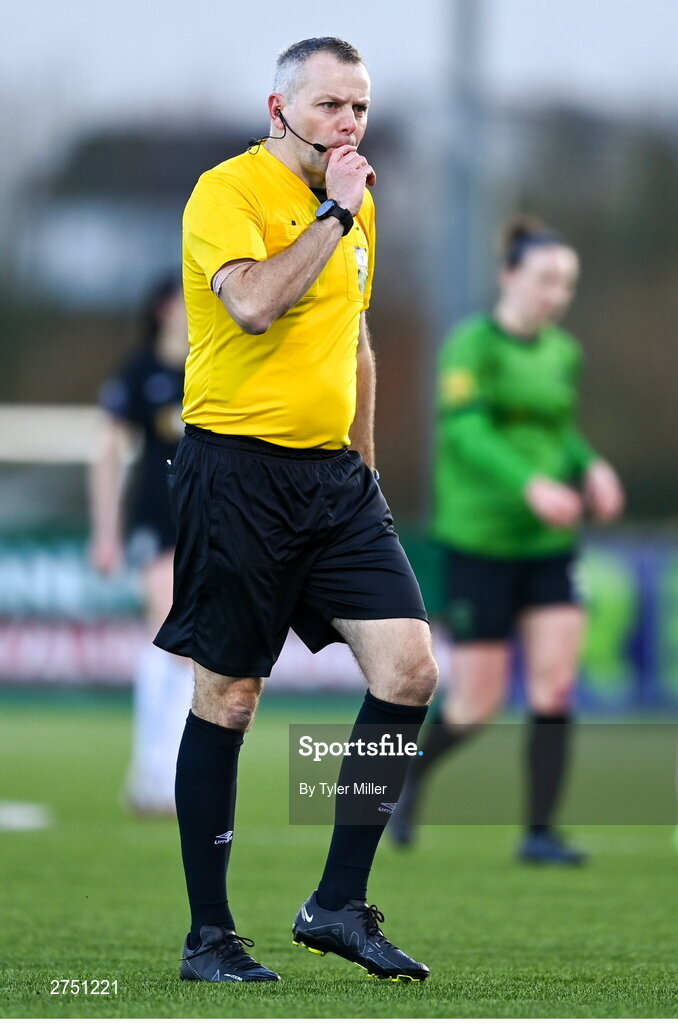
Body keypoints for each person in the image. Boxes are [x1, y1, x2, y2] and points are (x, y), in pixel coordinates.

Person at [154, 37, 438, 983]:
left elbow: (353, 341)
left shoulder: (360, 202)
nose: (349, 123)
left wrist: (365, 466)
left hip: (334, 483)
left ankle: (338, 903)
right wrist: (330, 214)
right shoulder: (226, 194)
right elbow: (255, 308)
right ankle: (209, 937)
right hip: (235, 474)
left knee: (408, 667)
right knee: (229, 696)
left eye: (359, 106)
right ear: (279, 110)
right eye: (329, 106)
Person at [390, 215, 624, 863]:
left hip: (548, 545)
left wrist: (590, 466)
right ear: (510, 275)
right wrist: (531, 486)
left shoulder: (562, 353)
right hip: (480, 542)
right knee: (478, 702)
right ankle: (406, 782)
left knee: (554, 687)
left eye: (567, 282)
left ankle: (539, 832)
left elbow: (559, 434)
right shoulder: (472, 346)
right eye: (546, 278)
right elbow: (466, 433)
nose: (557, 293)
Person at [90, 275, 192, 815]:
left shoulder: (214, 364)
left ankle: (160, 769)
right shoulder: (141, 371)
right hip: (157, 518)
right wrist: (106, 533)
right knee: (167, 630)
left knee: (189, 646)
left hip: (210, 519)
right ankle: (154, 770)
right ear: (162, 308)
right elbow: (104, 451)